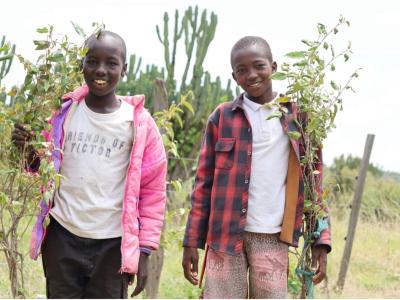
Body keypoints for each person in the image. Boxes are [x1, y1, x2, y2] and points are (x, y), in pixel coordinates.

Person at [12, 30, 167, 298]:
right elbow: (43, 170)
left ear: (125, 69)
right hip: (62, 237)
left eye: (111, 63)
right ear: (80, 65)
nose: (100, 70)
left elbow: (153, 191)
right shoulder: (62, 114)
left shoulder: (138, 124)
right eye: (92, 61)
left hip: (112, 246)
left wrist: (143, 252)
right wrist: (26, 149)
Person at [182, 36, 331, 299]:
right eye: (242, 70)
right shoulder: (222, 117)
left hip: (272, 235)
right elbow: (203, 183)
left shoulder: (298, 118)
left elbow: (313, 183)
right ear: (234, 76)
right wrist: (191, 241)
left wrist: (321, 240)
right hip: (224, 236)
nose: (251, 74)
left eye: (258, 66)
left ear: (273, 67)